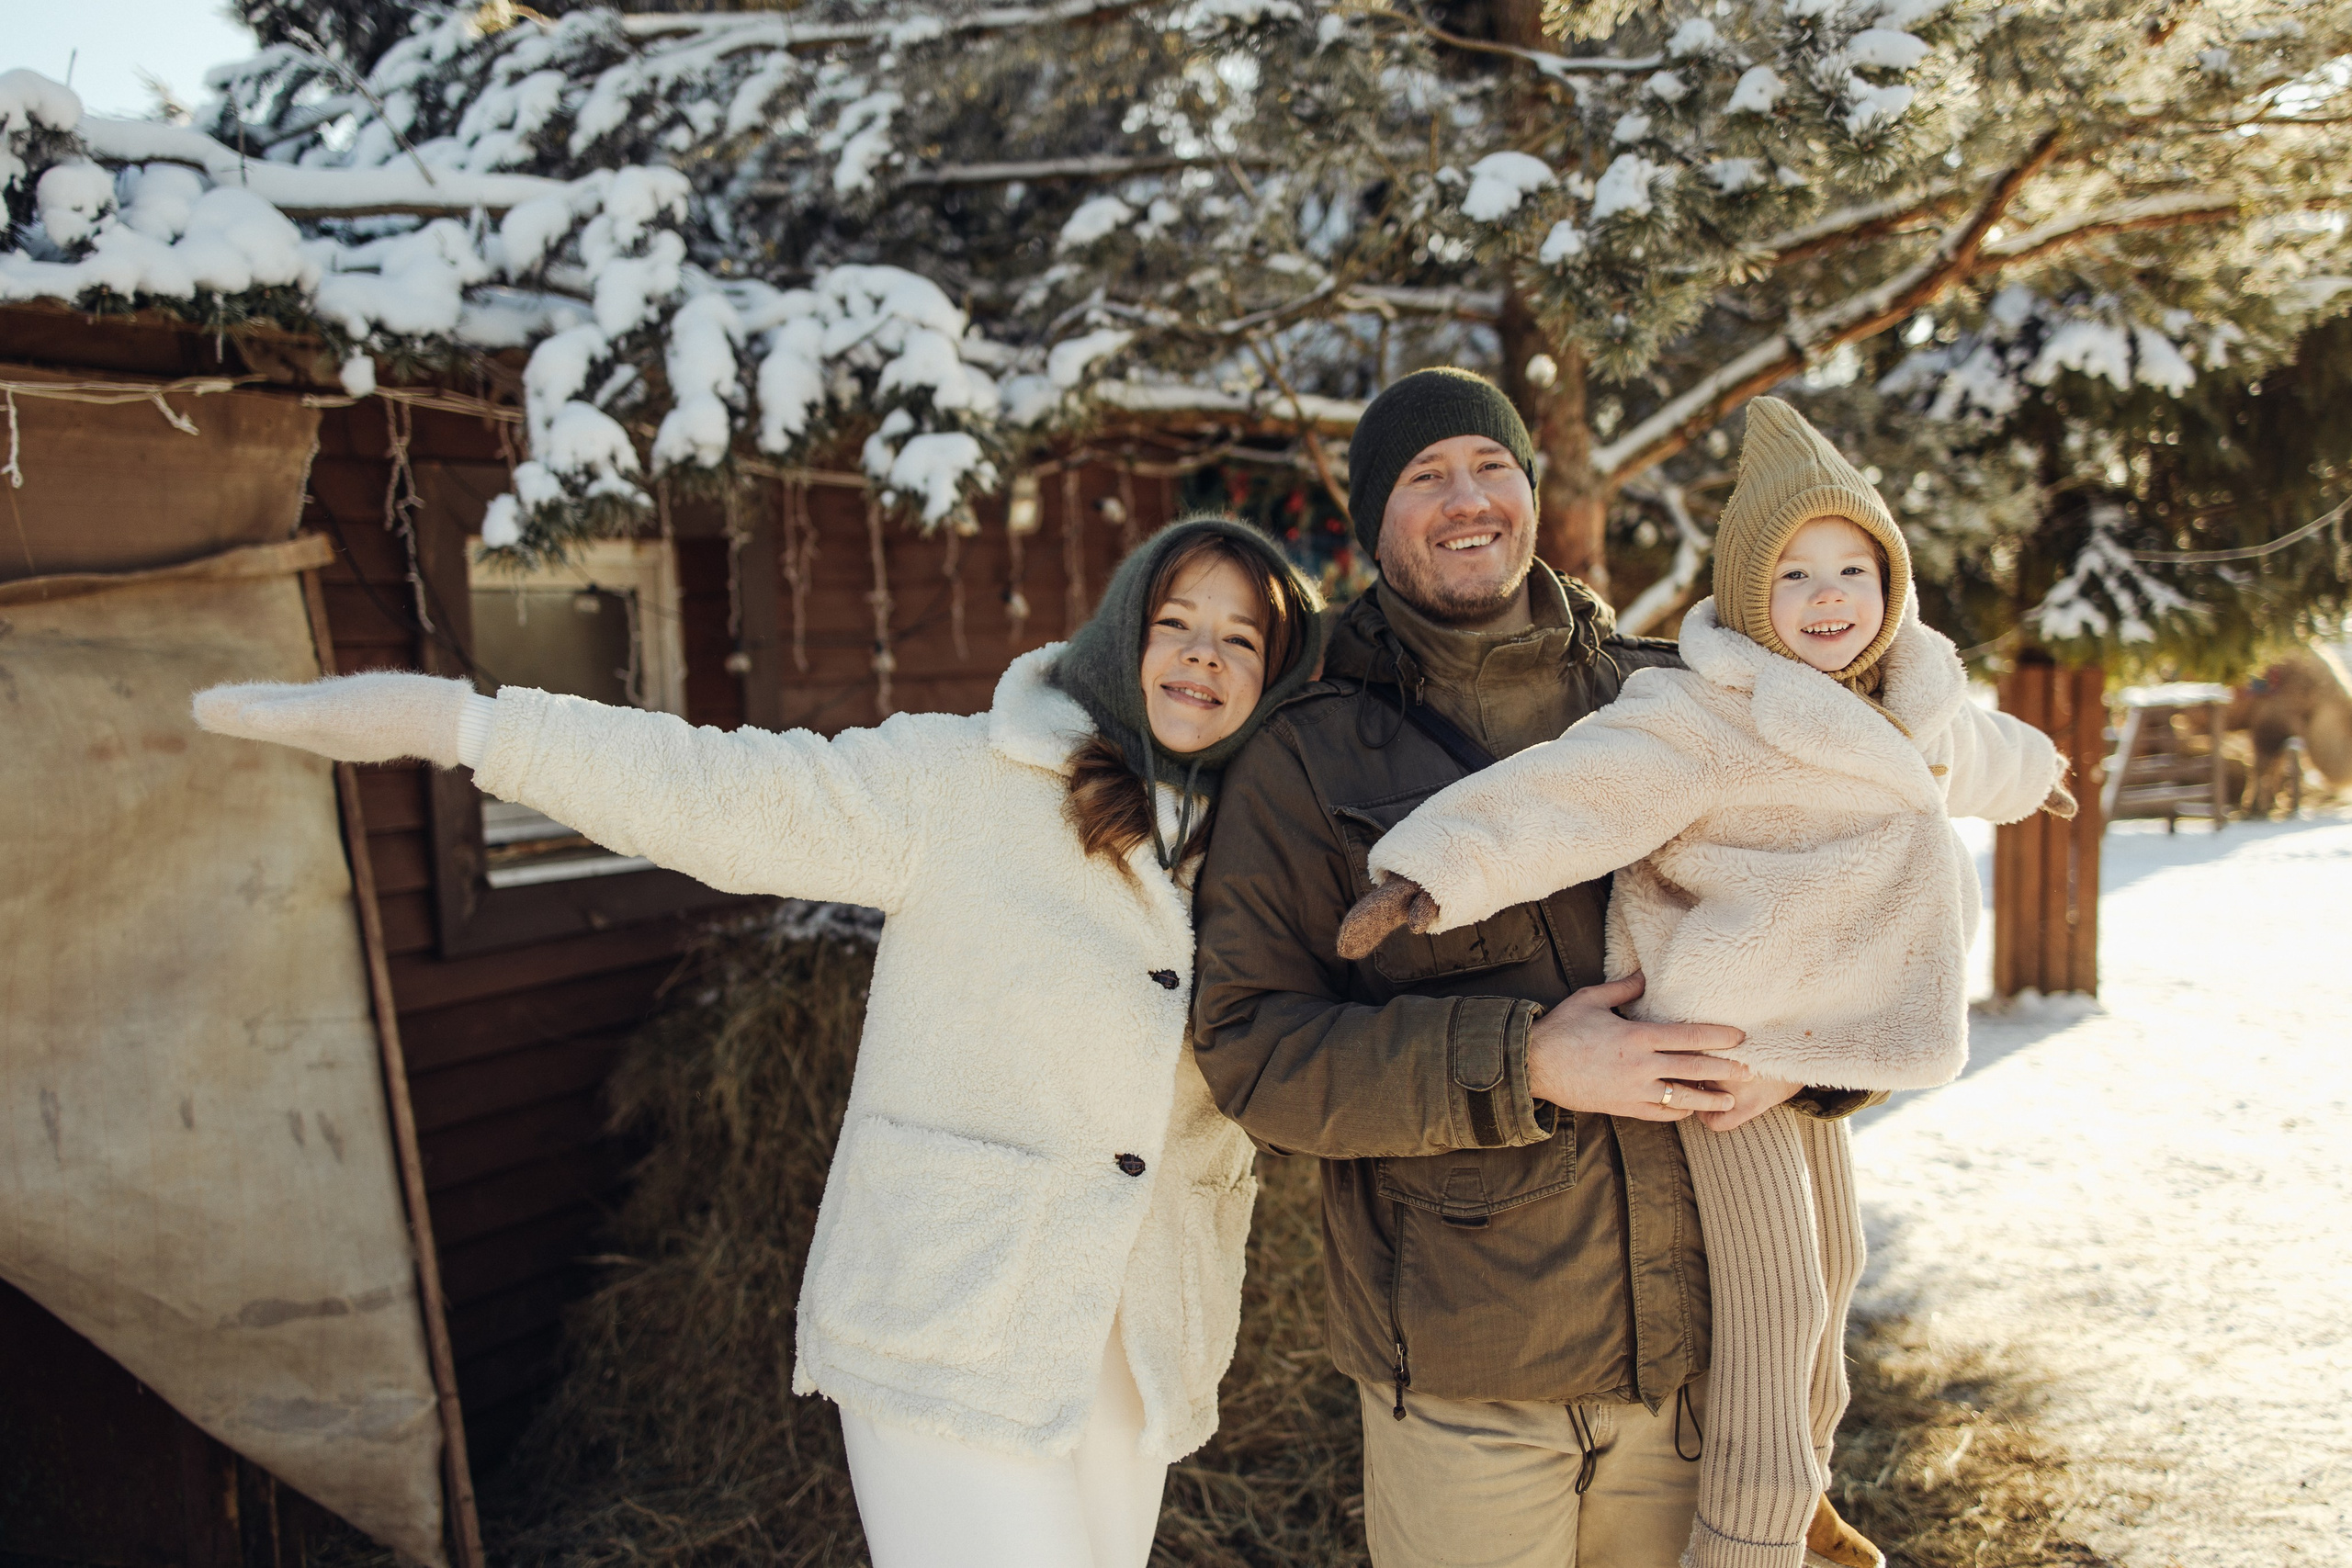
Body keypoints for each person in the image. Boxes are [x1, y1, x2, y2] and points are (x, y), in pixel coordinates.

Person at [190, 516, 1325, 1568]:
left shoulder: (1268, 847)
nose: (1203, 656)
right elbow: (727, 792)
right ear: (1121, 634)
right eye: (1175, 621)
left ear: (1274, 679)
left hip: (1140, 1345)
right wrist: (470, 727)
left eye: (1241, 639)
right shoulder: (964, 781)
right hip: (956, 1315)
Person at [1339, 397, 2075, 1568]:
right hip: (1709, 1045)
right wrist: (1430, 875)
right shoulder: (1703, 712)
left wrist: (2039, 775)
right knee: (1776, 1299)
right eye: (1793, 575)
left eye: (1853, 569)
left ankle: (1806, 1488)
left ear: (1892, 588)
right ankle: (1749, 1535)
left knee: (1835, 1270)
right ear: (1744, 598)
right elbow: (1569, 796)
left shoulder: (1906, 692)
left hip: (1812, 1047)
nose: (1828, 596)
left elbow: (1974, 749)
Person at [1189, 369, 1883, 1568]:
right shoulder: (1305, 754)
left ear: (1530, 488)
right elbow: (1255, 1051)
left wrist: (1806, 1065)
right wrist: (1527, 1063)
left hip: (1698, 1374)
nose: (1467, 498)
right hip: (1466, 1386)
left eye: (1492, 466)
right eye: (1425, 476)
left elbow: (1859, 925)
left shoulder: (1682, 695)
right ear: (1373, 520)